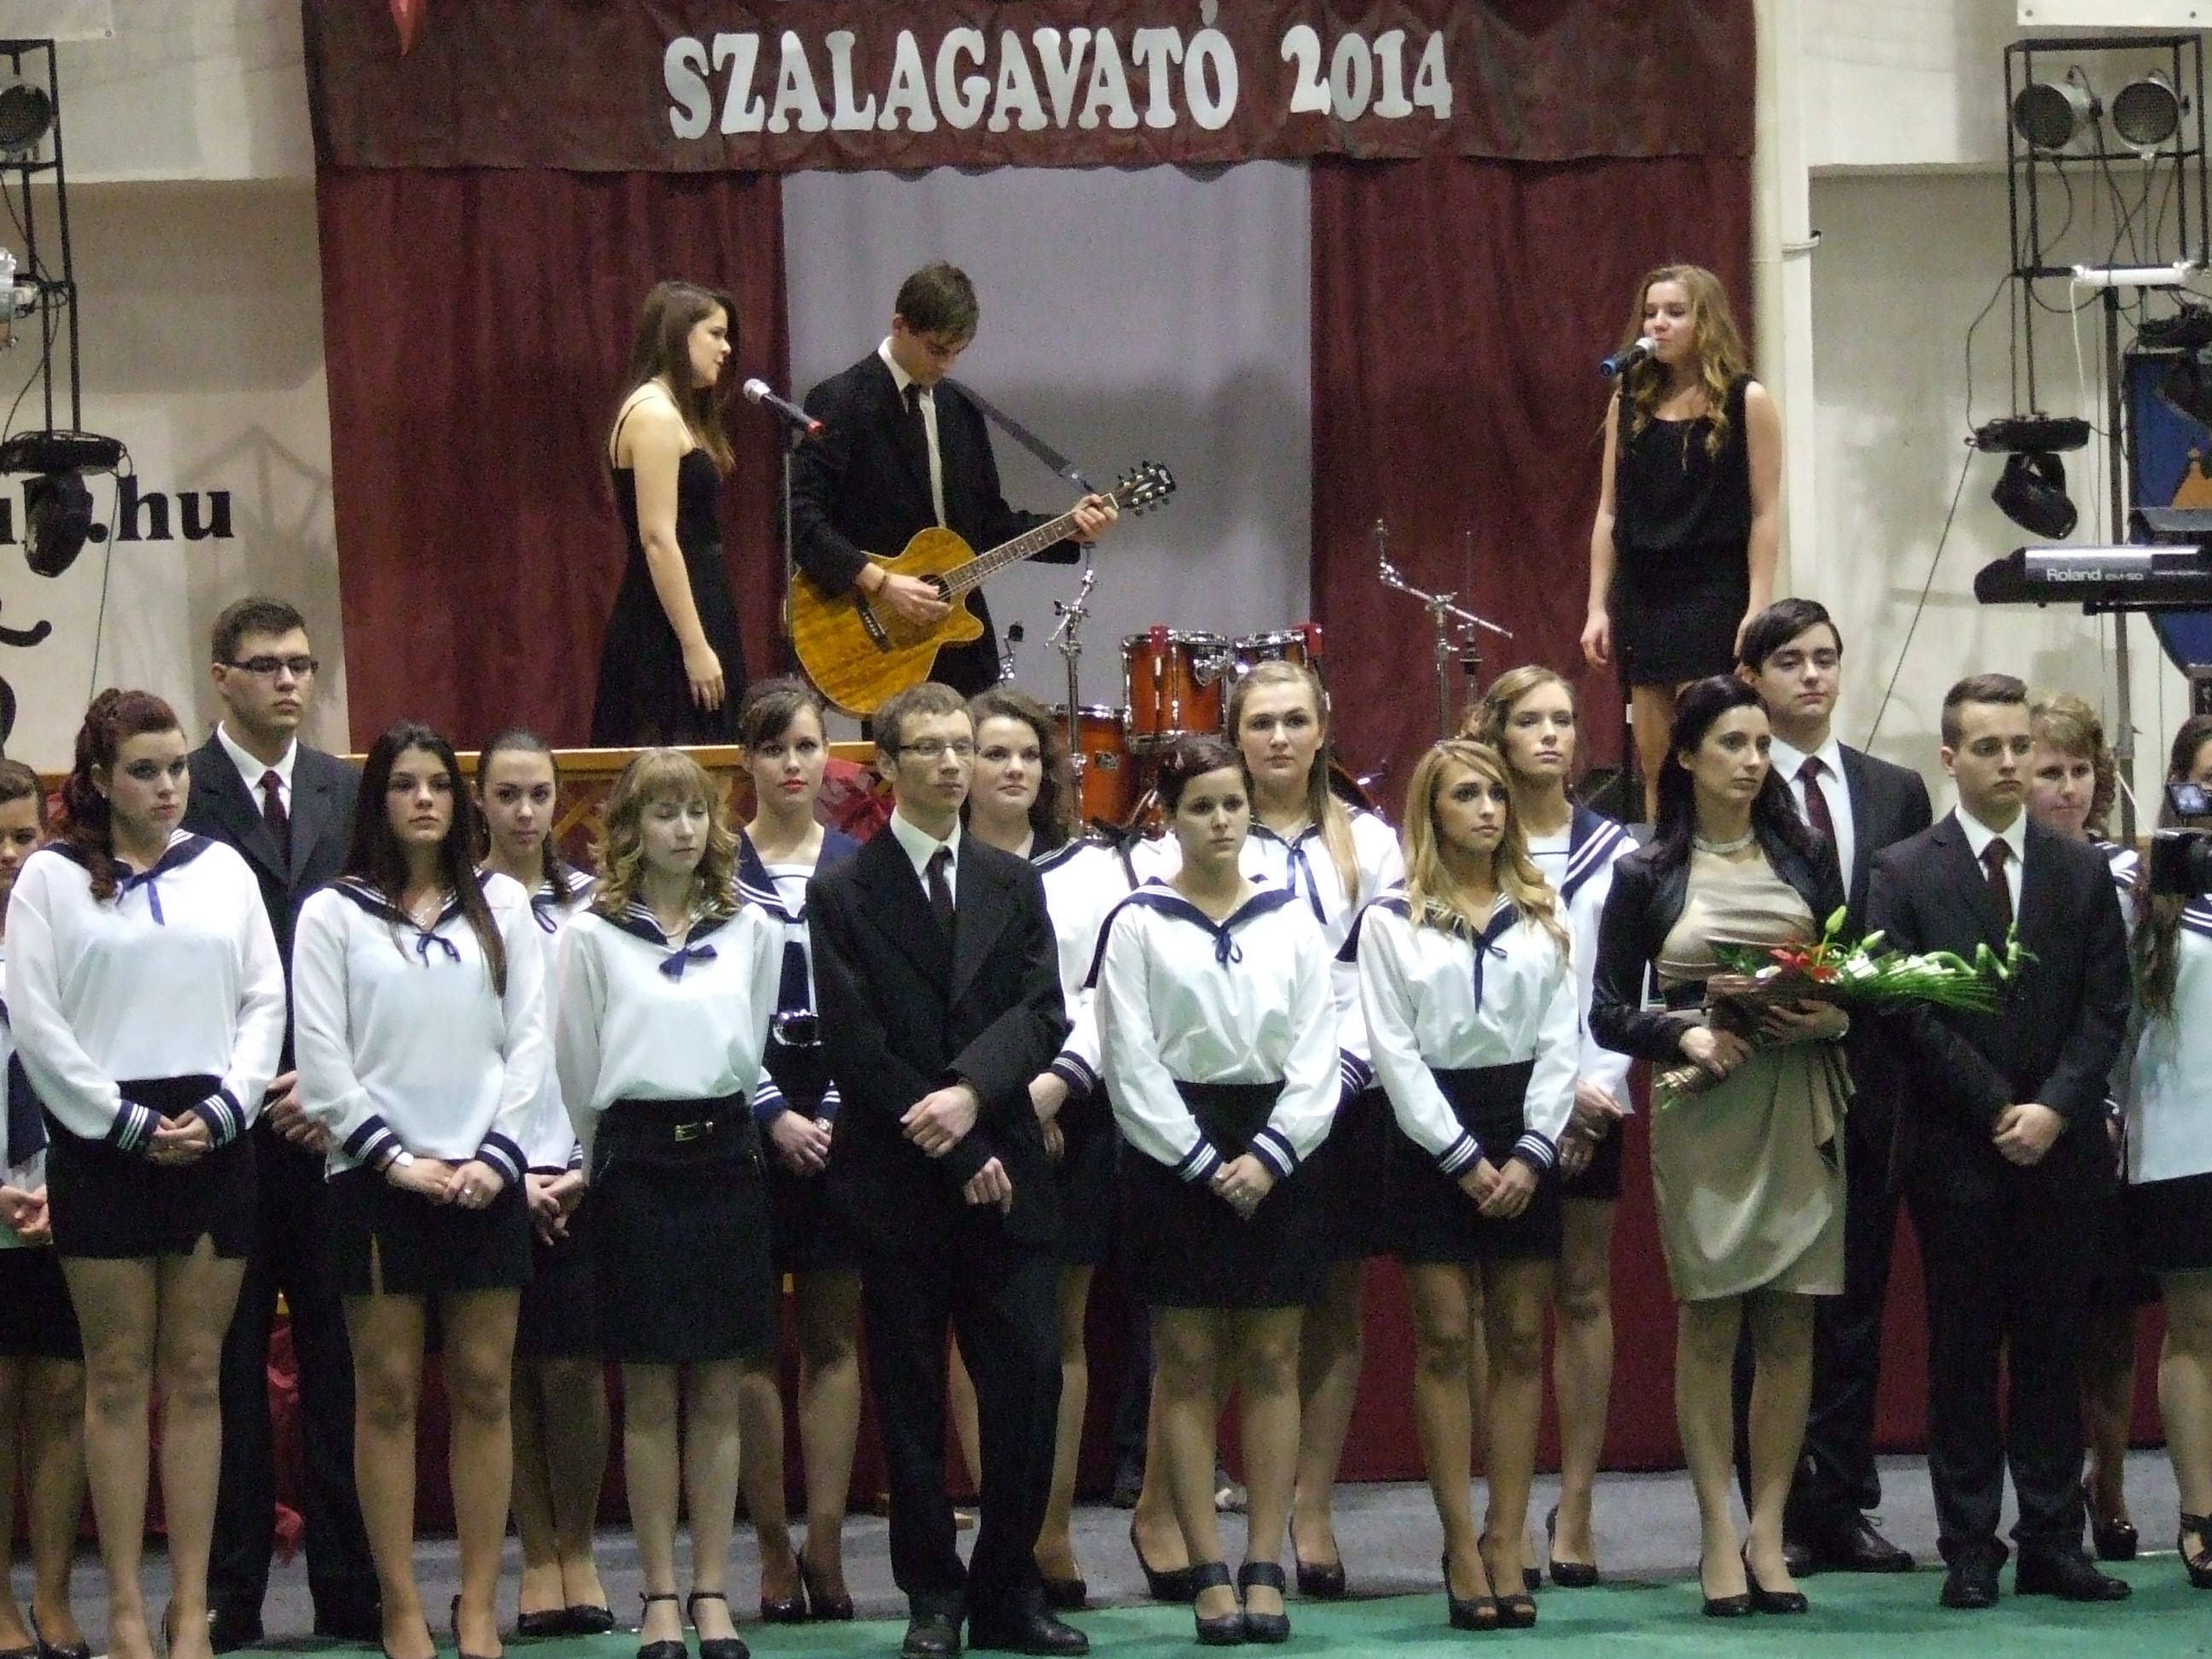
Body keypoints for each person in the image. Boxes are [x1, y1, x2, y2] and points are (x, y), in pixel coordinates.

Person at [9, 690, 287, 1659]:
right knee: (118, 1376)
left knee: (200, 1374)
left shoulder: (223, 869)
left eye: (176, 769)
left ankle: (189, 1606)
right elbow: (37, 1021)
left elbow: (264, 996)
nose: (168, 787)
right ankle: (125, 1606)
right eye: (144, 771)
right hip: (102, 1147)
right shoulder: (49, 880)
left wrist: (230, 1106)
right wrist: (119, 1122)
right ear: (97, 779)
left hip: (214, 1139)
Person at [807, 681, 1080, 1659]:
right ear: (887, 765)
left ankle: (1010, 1588)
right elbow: (856, 1042)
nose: (955, 763)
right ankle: (932, 1595)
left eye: (963, 744)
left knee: (1028, 1384)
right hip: (901, 1177)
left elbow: (1041, 1014)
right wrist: (954, 1140)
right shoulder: (845, 889)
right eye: (930, 747)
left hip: (1005, 1165)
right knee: (912, 1394)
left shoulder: (1012, 880)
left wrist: (971, 1096)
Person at [1866, 673, 2132, 1610]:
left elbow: (2105, 1007)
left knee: (2053, 1349)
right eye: (1990, 748)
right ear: (1951, 759)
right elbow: (1906, 1007)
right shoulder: (1904, 871)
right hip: (1958, 1151)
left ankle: (2054, 1539)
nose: (2011, 763)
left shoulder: (2080, 870)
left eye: (2021, 746)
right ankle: (1971, 1545)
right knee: (1965, 1352)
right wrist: (1995, 1108)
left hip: (2062, 1148)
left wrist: (2054, 1108)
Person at [1591, 676, 1846, 1617]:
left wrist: (1832, 1017)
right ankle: (1713, 1529)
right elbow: (1608, 1011)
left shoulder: (1806, 854)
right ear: (1689, 756)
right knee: (1711, 1322)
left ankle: (1769, 1529)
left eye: (1762, 745)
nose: (1752, 761)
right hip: (1703, 1106)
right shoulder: (1645, 873)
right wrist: (1684, 1032)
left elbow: (1852, 974)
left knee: (1790, 1325)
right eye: (1733, 744)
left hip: (1797, 1097)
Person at [293, 723, 549, 1659]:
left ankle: (477, 1601)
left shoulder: (506, 905)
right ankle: (400, 1601)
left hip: (485, 1178)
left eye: (439, 783)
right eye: (404, 784)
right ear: (379, 800)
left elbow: (532, 1041)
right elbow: (323, 1060)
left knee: (484, 1387)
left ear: (461, 799)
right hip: (374, 1182)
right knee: (388, 1393)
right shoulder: (333, 914)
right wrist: (395, 1160)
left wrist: (496, 1157)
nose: (425, 800)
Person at [1096, 733, 1336, 1646]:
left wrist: (1273, 1152)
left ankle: (1264, 1562)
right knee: (1188, 1363)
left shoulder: (1292, 917)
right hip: (1175, 1154)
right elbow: (1131, 1060)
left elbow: (1318, 1047)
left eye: (1234, 804)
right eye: (1201, 807)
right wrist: (1198, 1161)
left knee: (1274, 1358)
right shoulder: (1139, 922)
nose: (1222, 821)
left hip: (1277, 1146)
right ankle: (1206, 1568)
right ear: (1169, 817)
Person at [554, 748, 783, 1659]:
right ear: (629, 830)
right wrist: (594, 1161)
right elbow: (577, 1063)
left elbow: (750, 1045)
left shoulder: (750, 926)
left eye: (696, 812)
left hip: (724, 1158)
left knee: (720, 1386)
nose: (684, 830)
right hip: (638, 1164)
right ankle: (656, 1594)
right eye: (663, 814)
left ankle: (713, 1591)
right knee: (650, 1390)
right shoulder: (591, 933)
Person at [186, 596, 377, 1652]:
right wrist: (250, 1080)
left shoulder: (348, 790)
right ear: (221, 676)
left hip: (334, 1119)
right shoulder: (182, 790)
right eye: (266, 666)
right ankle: (232, 1589)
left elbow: (378, 955)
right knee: (227, 1372)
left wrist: (332, 1084)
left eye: (301, 664)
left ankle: (352, 1584)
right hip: (223, 1121)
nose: (290, 681)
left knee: (343, 1360)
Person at [1353, 740, 1577, 1631]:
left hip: (1523, 1128)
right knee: (1446, 1339)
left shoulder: (1542, 909)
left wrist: (1532, 1150)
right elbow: (1393, 1051)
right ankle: (1458, 1543)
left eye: (1496, 794)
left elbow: (1560, 1038)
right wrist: (1460, 1156)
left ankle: (1506, 1535)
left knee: (1521, 1339)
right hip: (1429, 1134)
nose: (1487, 809)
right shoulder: (1390, 919)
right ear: (1430, 812)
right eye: (1466, 795)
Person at [1733, 598, 1932, 1574]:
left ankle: (1843, 1504)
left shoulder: (1895, 791)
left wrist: (1851, 1015)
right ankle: (1769, 1508)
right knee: (1768, 1299)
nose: (1813, 675)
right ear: (1752, 679)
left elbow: (1919, 938)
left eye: (1825, 658)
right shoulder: (1730, 782)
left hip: (1870, 1072)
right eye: (1790, 661)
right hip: (1761, 1072)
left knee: (1855, 1297)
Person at [962, 689, 1135, 1610]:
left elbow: (1108, 995)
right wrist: (994, 1102)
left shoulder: (1093, 868)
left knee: (1060, 1331)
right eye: (995, 753)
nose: (1014, 769)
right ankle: (999, 1536)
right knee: (974, 1330)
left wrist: (1054, 1087)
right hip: (962, 1120)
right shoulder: (935, 867)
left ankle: (1051, 1531)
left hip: (1074, 1107)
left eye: (1029, 754)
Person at [1464, 668, 1636, 1587]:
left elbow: (1627, 982)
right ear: (1494, 731)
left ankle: (1576, 1505)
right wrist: (1544, 1093)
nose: (1549, 735)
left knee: (1583, 1292)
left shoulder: (1616, 849)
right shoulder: (1471, 844)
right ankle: (1504, 1512)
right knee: (1499, 1308)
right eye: (1529, 719)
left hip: (1594, 1100)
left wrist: (1591, 1087)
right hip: (1498, 1093)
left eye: (1563, 720)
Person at [789, 261, 1116, 697]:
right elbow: (798, 514)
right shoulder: (842, 400)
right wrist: (880, 582)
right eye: (937, 349)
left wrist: (1069, 529)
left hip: (959, 634)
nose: (946, 364)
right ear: (900, 326)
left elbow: (988, 524)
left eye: (957, 352)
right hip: (882, 638)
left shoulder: (959, 409)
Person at [474, 731, 613, 1639]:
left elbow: (609, 1033)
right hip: (487, 1167)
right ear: (480, 802)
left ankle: (582, 1547)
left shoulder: (596, 905)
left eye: (539, 795)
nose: (525, 813)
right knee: (509, 1371)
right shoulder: (458, 908)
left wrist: (583, 1164)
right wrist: (506, 1167)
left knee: (574, 1368)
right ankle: (536, 1555)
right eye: (507, 795)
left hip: (582, 1163)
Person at [734, 679, 862, 1623]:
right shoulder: (714, 866)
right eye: (774, 748)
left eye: (807, 746)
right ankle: (773, 1547)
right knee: (749, 1343)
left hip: (845, 1106)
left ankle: (826, 1541)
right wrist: (773, 1110)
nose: (792, 764)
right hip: (747, 1104)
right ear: (746, 760)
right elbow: (699, 1005)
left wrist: (842, 1104)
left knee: (832, 1336)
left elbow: (885, 999)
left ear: (829, 759)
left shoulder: (859, 865)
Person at [1580, 265, 1781, 821]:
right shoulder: (1629, 401)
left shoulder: (1745, 399)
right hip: (1645, 594)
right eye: (1650, 313)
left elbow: (1765, 513)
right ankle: (1663, 856)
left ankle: (1715, 852)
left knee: (1709, 747)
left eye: (1674, 312)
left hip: (1711, 589)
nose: (1658, 324)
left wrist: (1757, 607)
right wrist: (1597, 606)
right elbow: (1608, 510)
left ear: (1705, 321)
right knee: (1657, 760)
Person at [2024, 690, 2151, 1566]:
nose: (2068, 789)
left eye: (2080, 772)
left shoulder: (2135, 877)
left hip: (2122, 1121)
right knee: (2036, 1324)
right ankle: (2045, 1486)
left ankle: (2110, 1482)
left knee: (2110, 1320)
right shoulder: (1998, 871)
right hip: (2026, 1117)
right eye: (2050, 772)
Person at [2118, 713, 2212, 1591]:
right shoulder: (2141, 885)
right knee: (2196, 1328)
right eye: (2207, 783)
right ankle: (2199, 1512)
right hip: (2182, 1135)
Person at [0, 760, 89, 1659]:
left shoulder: (70, 931)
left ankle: (56, 1597)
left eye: (24, 836)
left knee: (64, 1394)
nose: (9, 854)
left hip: (69, 1196)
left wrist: (73, 1183)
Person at [591, 279, 748, 744]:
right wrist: (694, 645)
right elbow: (658, 539)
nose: (727, 348)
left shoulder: (675, 412)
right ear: (680, 336)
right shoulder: (653, 414)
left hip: (696, 600)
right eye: (715, 334)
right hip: (667, 621)